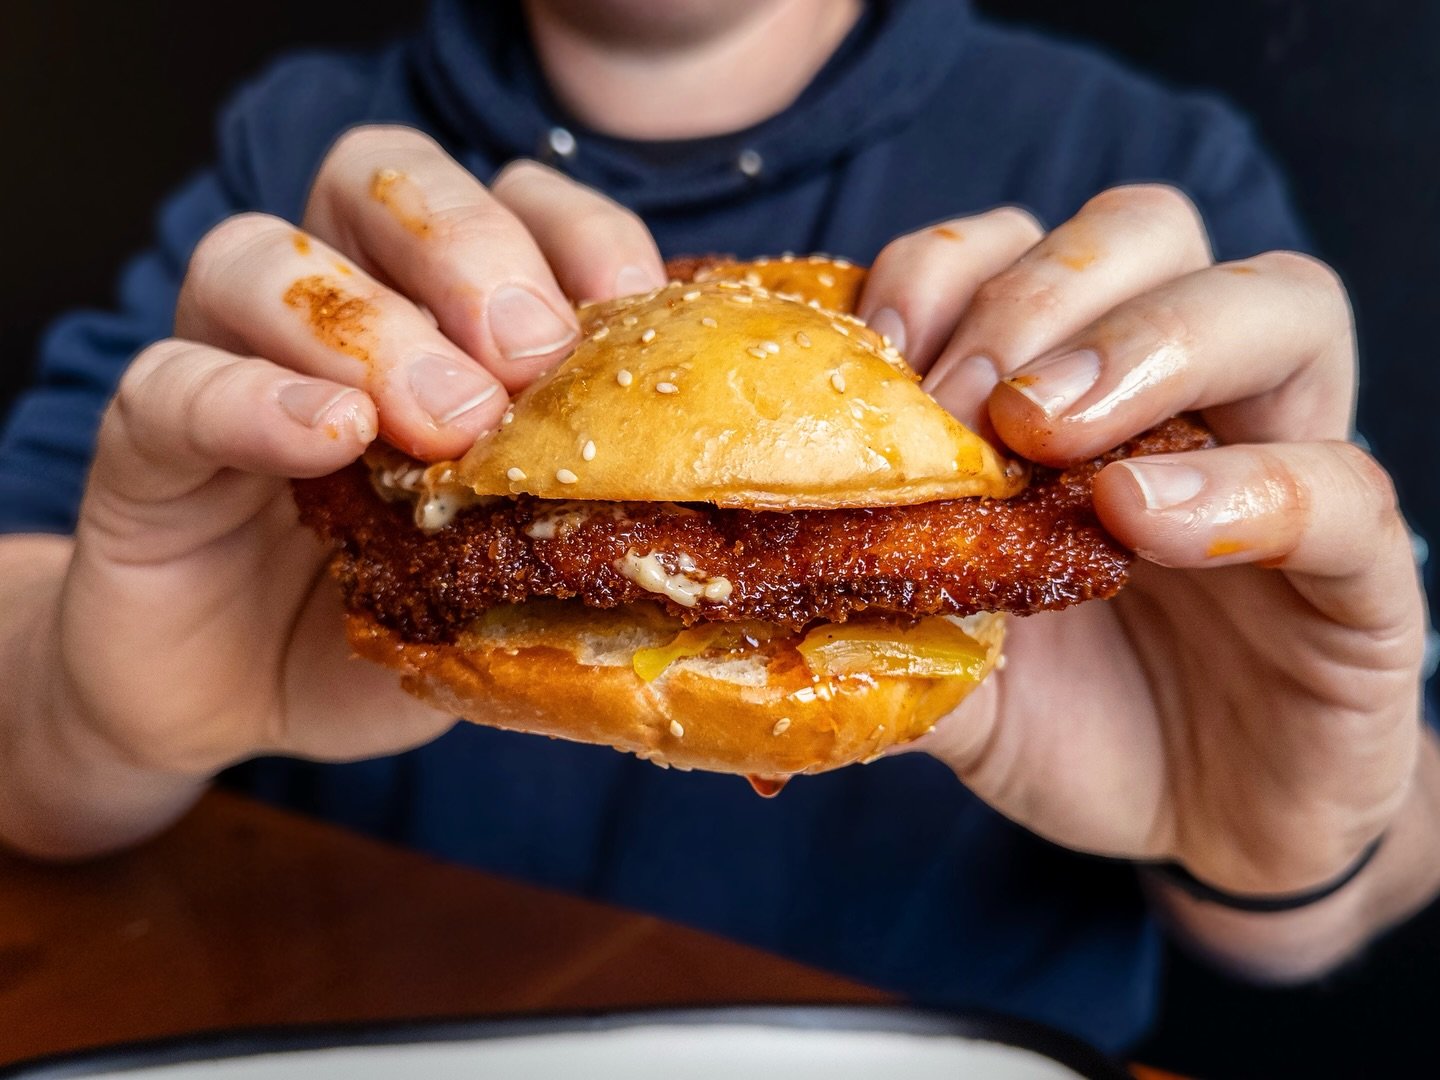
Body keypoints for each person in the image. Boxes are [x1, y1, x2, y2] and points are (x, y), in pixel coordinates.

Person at [0, 0, 1435, 1056]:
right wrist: (92, 712)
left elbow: (1394, 810)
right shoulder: (301, 168)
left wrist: (1301, 853)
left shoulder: (1131, 168)